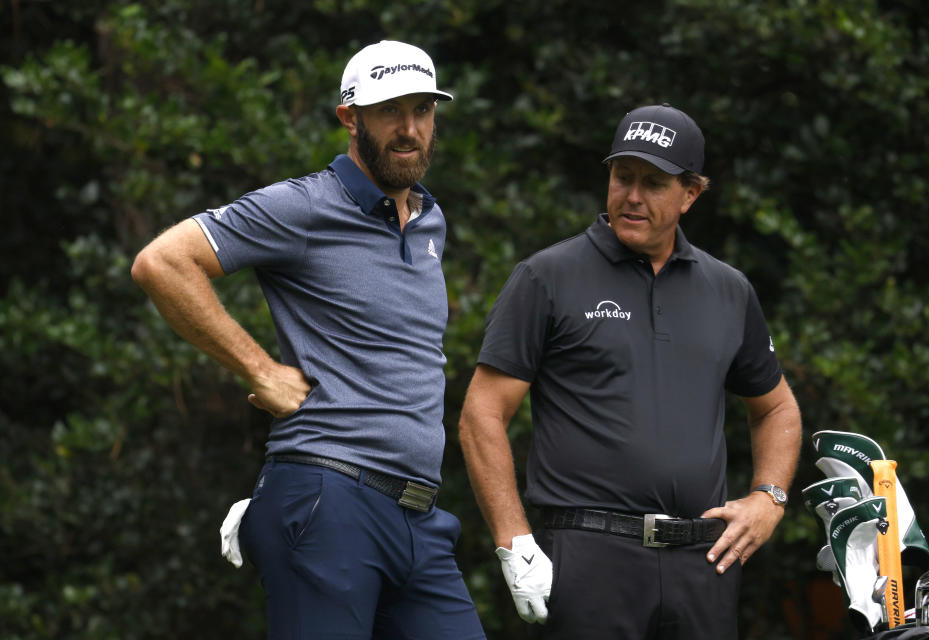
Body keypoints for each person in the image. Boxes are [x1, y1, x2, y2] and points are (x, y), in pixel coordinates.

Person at [131, 40, 486, 640]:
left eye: (422, 110)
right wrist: (258, 369)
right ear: (350, 117)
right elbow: (161, 262)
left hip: (418, 516)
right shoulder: (303, 207)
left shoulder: (429, 220)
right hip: (330, 499)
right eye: (389, 111)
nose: (409, 128)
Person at [458, 103, 802, 640]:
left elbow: (776, 406)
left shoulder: (729, 290)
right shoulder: (547, 277)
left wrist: (769, 498)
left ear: (691, 194)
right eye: (623, 177)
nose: (633, 196)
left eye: (654, 183)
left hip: (703, 561)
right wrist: (514, 540)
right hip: (588, 558)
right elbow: (481, 413)